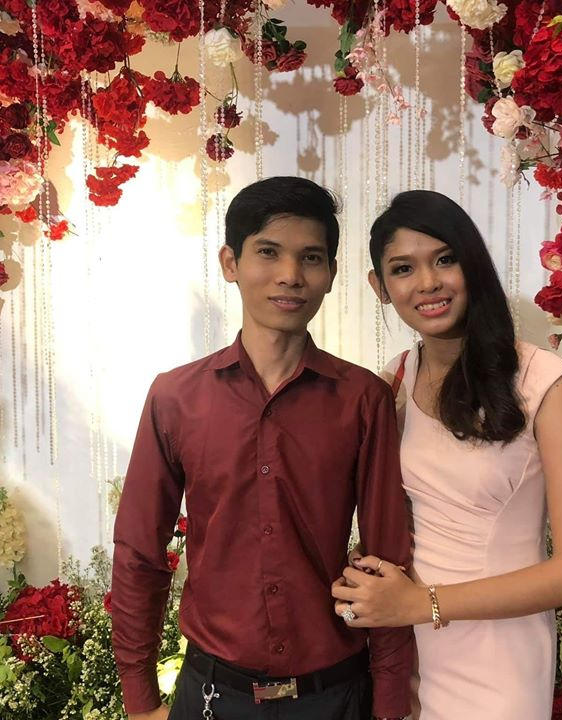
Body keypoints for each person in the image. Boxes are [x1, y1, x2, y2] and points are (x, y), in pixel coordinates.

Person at [111, 177, 413, 720]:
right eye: (268, 252)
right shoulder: (175, 397)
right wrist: (139, 698)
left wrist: (389, 704)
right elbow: (139, 551)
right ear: (231, 262)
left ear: (331, 273)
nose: (290, 275)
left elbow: (386, 559)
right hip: (211, 693)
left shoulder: (363, 400)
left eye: (310, 257)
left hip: (335, 695)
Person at [332, 190, 562, 719]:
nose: (427, 282)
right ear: (379, 287)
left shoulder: (543, 381)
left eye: (445, 259)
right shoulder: (393, 381)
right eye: (403, 268)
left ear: (473, 265)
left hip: (498, 659)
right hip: (409, 647)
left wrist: (422, 603)